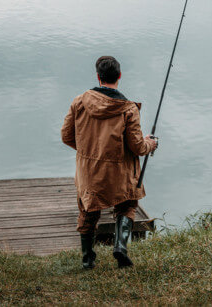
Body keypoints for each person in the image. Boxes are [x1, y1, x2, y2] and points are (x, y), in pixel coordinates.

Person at [61, 56, 158, 269]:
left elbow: (66, 136)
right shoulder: (128, 109)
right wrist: (150, 144)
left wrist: (90, 151)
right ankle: (120, 247)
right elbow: (137, 147)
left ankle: (88, 260)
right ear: (119, 76)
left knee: (87, 211)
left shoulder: (79, 101)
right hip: (119, 173)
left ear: (98, 77)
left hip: (89, 172)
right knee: (128, 205)